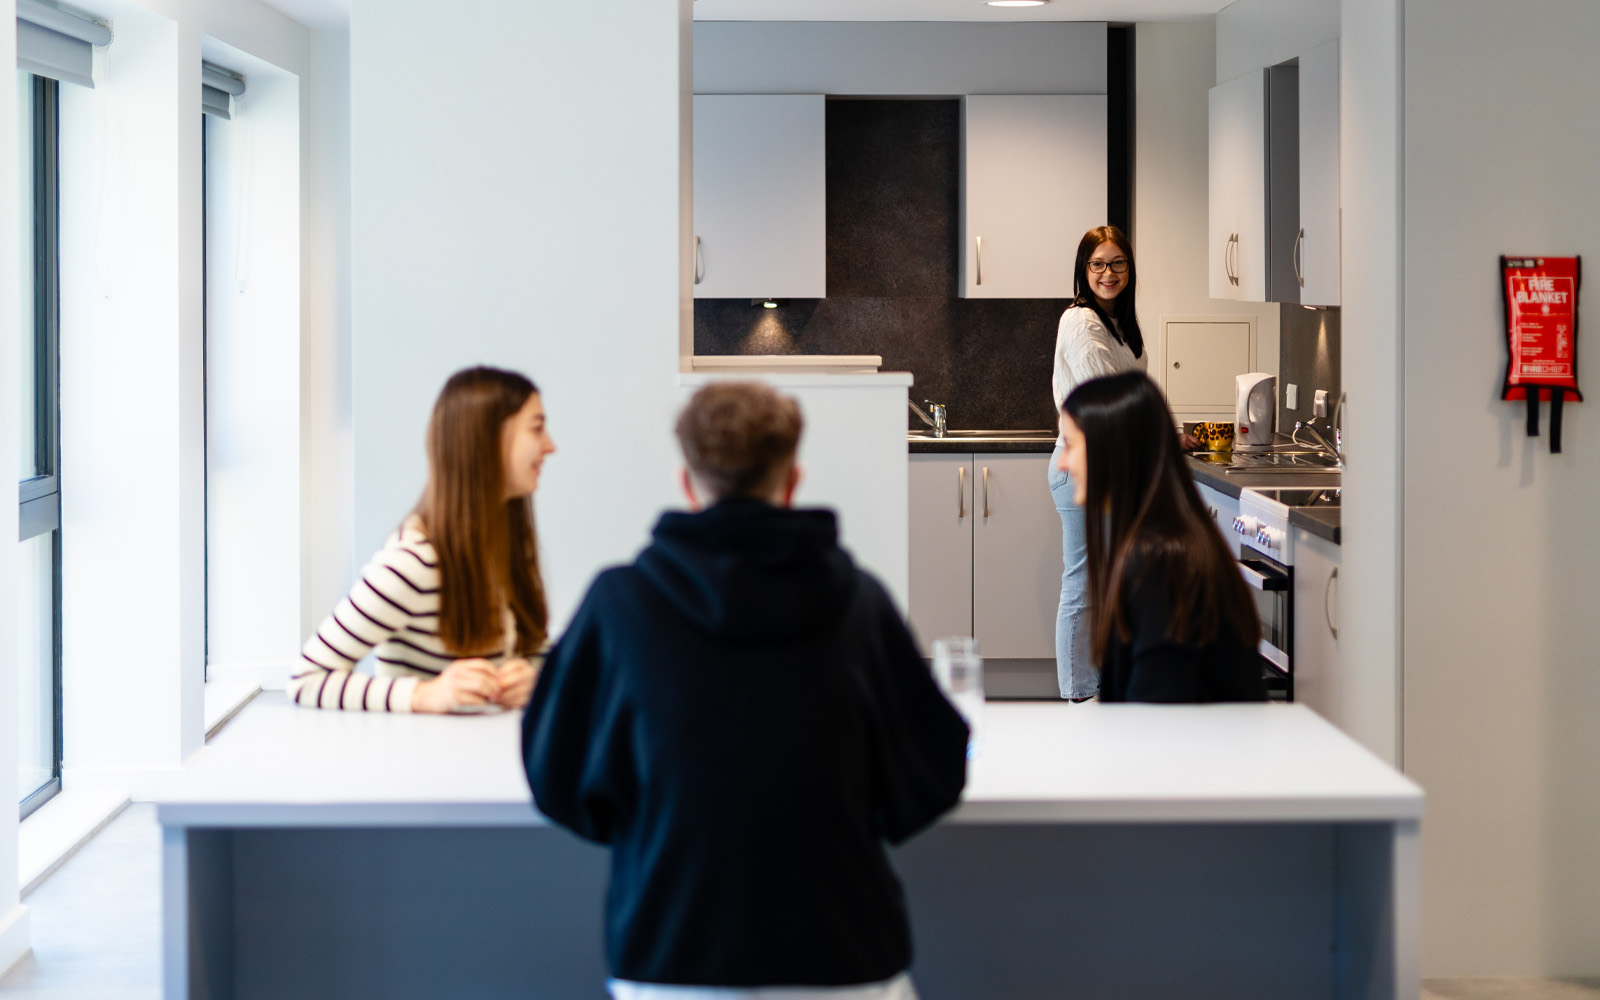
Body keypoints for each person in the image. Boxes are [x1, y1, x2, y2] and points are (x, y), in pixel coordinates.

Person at [522, 381, 969, 1000]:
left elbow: (554, 772)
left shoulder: (618, 602)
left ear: (687, 483)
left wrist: (652, 830)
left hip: (669, 952)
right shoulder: (859, 602)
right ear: (792, 481)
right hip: (844, 952)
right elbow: (935, 770)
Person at [289, 366, 555, 713]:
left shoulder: (508, 542)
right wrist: (424, 695)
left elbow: (533, 649)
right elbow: (306, 679)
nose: (550, 446)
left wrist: (536, 677)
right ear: (489, 439)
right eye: (536, 429)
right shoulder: (413, 562)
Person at [1057, 371, 1266, 703]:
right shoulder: (1160, 544)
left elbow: (1154, 725)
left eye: (1069, 445)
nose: (1063, 464)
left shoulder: (1159, 563)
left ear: (1112, 448)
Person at [1048, 224, 1148, 702]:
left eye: (1117, 263)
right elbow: (1108, 400)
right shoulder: (1081, 322)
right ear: (1084, 270)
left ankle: (1099, 689)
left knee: (1103, 584)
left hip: (1108, 470)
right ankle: (1079, 697)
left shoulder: (1118, 323)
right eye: (1098, 264)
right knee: (1084, 585)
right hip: (1082, 470)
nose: (1108, 273)